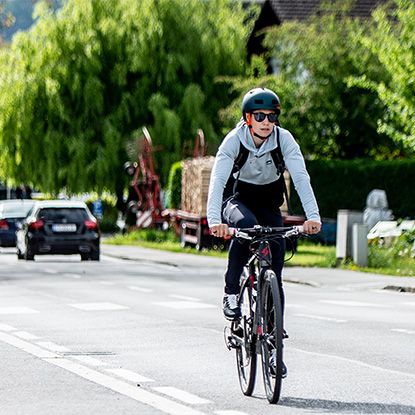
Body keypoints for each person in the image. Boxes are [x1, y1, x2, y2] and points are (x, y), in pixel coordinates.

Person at [207, 87, 321, 324]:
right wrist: (215, 221)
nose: (266, 122)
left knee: (277, 256)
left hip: (268, 201)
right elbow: (217, 181)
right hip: (237, 198)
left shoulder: (284, 139)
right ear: (248, 118)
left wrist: (313, 217)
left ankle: (272, 328)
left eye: (271, 116)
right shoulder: (234, 141)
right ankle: (230, 292)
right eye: (259, 116)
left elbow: (301, 178)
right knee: (246, 228)